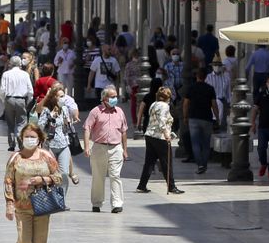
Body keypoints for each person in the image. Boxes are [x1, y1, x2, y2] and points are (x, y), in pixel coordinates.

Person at [3, 121, 60, 243]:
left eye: (33, 137)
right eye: (26, 136)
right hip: (22, 207)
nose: (29, 139)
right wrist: (9, 204)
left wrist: (41, 179)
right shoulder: (16, 158)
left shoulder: (46, 156)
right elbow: (8, 181)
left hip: (43, 206)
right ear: (21, 138)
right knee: (24, 241)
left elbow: (59, 177)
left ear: (39, 139)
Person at [82, 84, 130, 213]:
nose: (115, 99)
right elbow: (87, 128)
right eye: (112, 97)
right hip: (99, 147)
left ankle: (117, 204)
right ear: (104, 98)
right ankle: (97, 203)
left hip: (116, 147)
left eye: (116, 96)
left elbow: (124, 131)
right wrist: (87, 147)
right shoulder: (95, 111)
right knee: (98, 177)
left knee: (115, 175)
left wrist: (125, 150)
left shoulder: (120, 112)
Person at [136, 86, 184, 195]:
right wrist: (166, 134)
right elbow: (162, 120)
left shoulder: (154, 104)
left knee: (149, 162)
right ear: (168, 97)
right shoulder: (165, 106)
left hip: (150, 135)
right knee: (167, 163)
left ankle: (142, 185)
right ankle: (172, 187)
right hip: (160, 137)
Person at [35, 86, 77, 192]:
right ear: (54, 97)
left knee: (64, 173)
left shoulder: (64, 109)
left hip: (63, 144)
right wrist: (50, 117)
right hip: (50, 146)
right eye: (60, 96)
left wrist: (68, 122)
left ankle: (62, 197)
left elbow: (66, 127)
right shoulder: (46, 110)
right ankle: (52, 196)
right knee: (51, 173)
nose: (63, 99)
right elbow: (39, 127)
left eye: (64, 96)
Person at [182, 67, 219, 174]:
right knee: (206, 144)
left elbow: (185, 104)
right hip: (207, 118)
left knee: (195, 143)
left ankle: (200, 165)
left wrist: (185, 116)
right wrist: (217, 117)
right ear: (206, 77)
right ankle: (204, 164)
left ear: (196, 76)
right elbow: (214, 105)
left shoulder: (191, 88)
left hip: (193, 118)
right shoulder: (210, 89)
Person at [0, 55, 34, 152]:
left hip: (9, 99)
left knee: (10, 123)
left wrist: (4, 101)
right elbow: (30, 91)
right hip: (21, 100)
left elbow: (2, 90)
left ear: (10, 64)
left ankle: (11, 144)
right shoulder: (25, 74)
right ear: (20, 64)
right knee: (21, 122)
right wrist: (28, 101)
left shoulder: (6, 74)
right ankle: (20, 141)